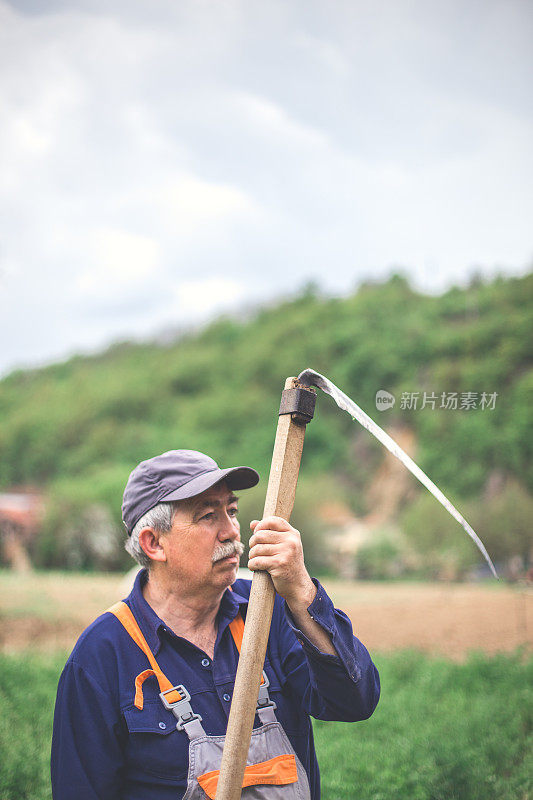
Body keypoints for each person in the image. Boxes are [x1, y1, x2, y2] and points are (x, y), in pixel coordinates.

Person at [51, 449, 380, 799]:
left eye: (232, 510)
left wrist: (301, 589)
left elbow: (355, 702)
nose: (231, 531)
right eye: (208, 515)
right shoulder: (100, 656)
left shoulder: (270, 609)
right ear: (153, 543)